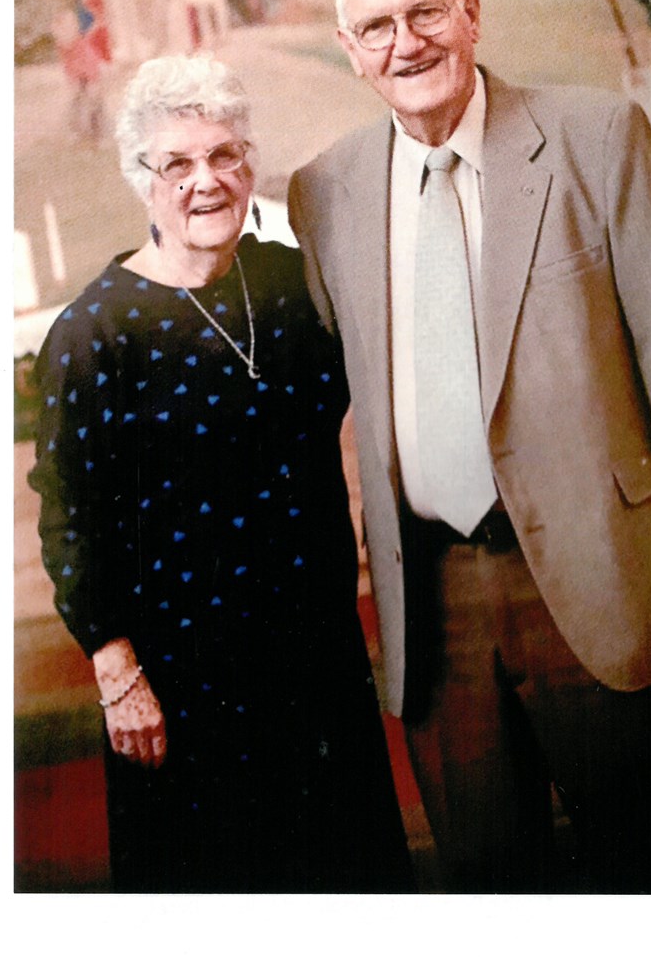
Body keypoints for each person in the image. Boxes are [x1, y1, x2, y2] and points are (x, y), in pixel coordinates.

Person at [289, 0, 651, 894]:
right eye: (376, 27)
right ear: (349, 49)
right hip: (434, 607)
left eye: (424, 13)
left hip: (599, 584)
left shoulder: (596, 135)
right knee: (487, 886)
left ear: (469, 16)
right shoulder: (323, 193)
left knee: (636, 868)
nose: (405, 43)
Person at [28, 55, 414, 892]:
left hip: (317, 664)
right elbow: (70, 522)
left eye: (224, 154)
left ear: (249, 164)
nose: (205, 181)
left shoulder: (286, 287)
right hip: (182, 688)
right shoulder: (94, 335)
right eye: (176, 163)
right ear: (141, 180)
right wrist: (118, 679)